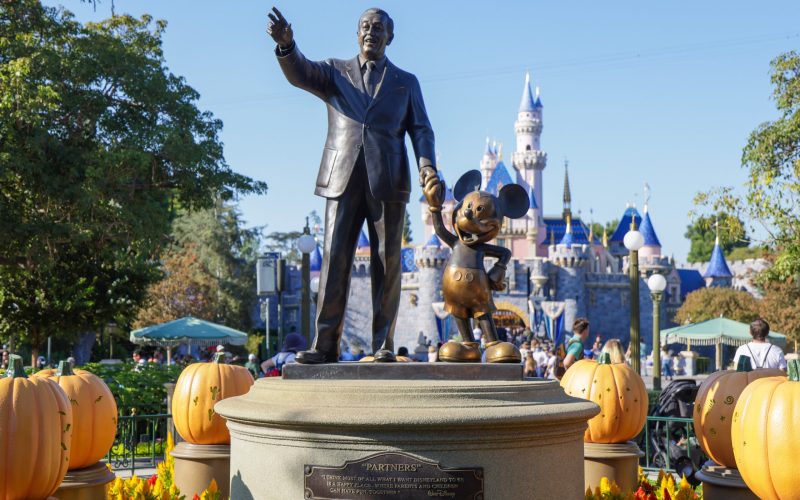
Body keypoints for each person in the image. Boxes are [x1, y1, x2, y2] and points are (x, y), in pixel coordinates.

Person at [267, 7, 438, 364]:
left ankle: (383, 345)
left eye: (378, 28)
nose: (371, 32)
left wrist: (427, 167)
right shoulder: (334, 72)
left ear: (390, 36)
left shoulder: (406, 82)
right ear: (356, 34)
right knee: (334, 259)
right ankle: (324, 344)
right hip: (341, 176)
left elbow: (421, 128)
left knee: (388, 262)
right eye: (365, 27)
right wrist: (287, 47)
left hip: (388, 180)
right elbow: (301, 73)